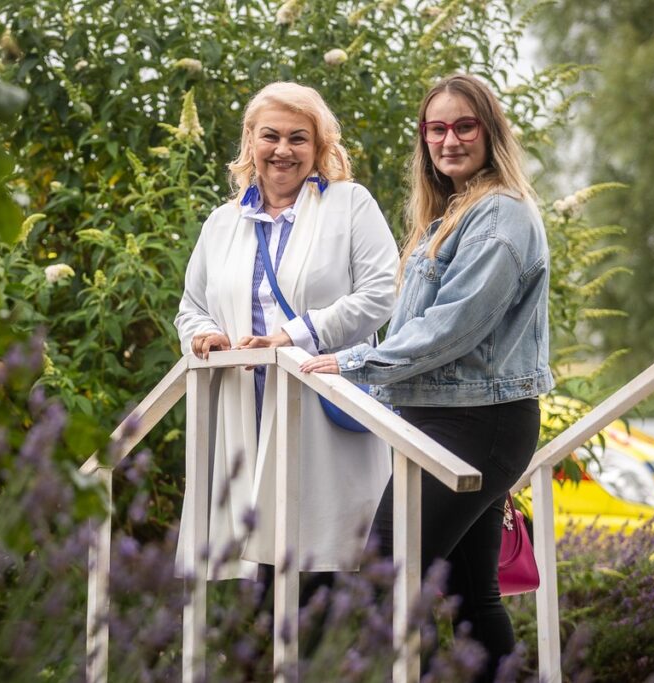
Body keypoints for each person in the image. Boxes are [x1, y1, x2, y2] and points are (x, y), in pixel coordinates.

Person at [300, 74, 552, 680]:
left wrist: (355, 361)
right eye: (437, 128)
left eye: (465, 125)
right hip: (445, 422)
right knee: (470, 600)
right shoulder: (453, 210)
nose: (450, 139)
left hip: (476, 423)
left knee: (387, 580)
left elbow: (452, 326)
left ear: (491, 131)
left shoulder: (500, 216)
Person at [174, 81, 399, 584]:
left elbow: (381, 293)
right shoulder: (222, 223)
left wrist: (292, 337)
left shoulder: (350, 205)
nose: (283, 150)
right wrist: (205, 333)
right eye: (270, 136)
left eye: (299, 138)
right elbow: (191, 306)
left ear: (319, 147)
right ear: (250, 142)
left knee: (331, 564)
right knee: (264, 568)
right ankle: (280, 661)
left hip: (323, 406)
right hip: (245, 411)